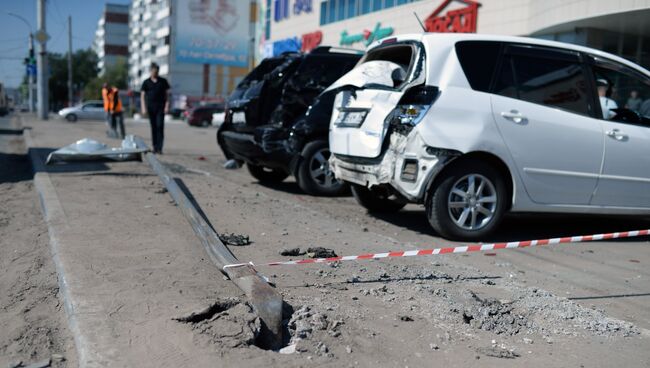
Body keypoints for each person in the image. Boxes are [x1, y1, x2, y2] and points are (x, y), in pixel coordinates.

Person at [140, 63, 170, 154]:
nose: (155, 73)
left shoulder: (163, 81)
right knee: (153, 127)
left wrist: (167, 106)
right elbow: (142, 96)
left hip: (160, 107)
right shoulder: (146, 82)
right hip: (150, 108)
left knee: (160, 126)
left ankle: (160, 148)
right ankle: (155, 147)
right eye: (154, 71)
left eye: (157, 71)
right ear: (151, 71)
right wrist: (143, 108)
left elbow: (167, 95)